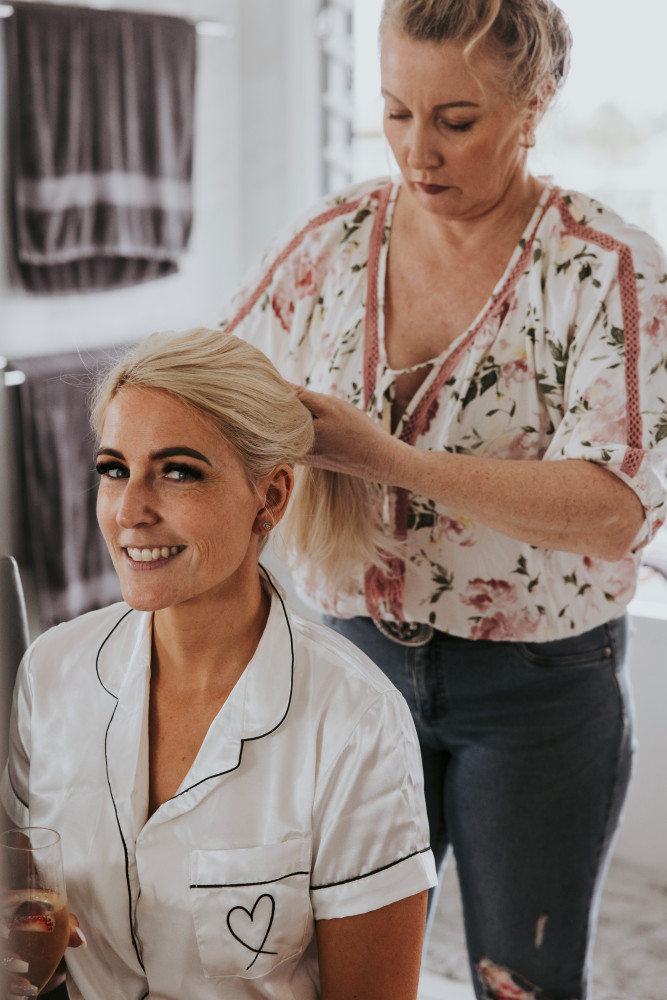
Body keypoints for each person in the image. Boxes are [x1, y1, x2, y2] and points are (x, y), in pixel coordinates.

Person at [216, 1, 667, 997]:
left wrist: (387, 459)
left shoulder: (607, 265)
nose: (416, 152)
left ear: (532, 105)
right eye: (395, 112)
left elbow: (613, 509)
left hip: (539, 689)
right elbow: (215, 386)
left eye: (455, 121)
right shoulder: (333, 240)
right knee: (332, 969)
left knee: (520, 978)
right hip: (352, 660)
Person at [0, 328, 437, 1000]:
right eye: (114, 469)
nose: (129, 511)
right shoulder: (52, 670)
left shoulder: (355, 720)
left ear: (271, 498)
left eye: (178, 472)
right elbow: (29, 904)